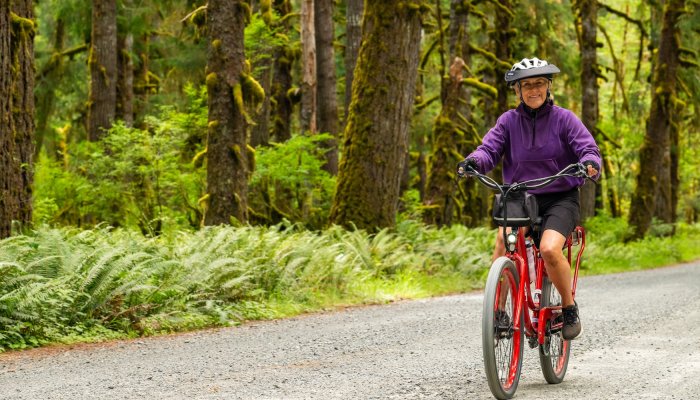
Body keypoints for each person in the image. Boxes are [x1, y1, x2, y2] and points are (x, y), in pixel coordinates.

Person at [458, 57, 601, 340]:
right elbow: (489, 150)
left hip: (560, 197)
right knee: (502, 241)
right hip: (520, 197)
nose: (533, 90)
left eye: (539, 84)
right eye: (526, 85)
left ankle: (568, 308)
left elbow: (588, 148)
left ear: (548, 86)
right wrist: (474, 161)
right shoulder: (508, 122)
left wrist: (588, 163)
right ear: (517, 90)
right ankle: (499, 313)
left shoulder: (564, 119)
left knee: (549, 249)